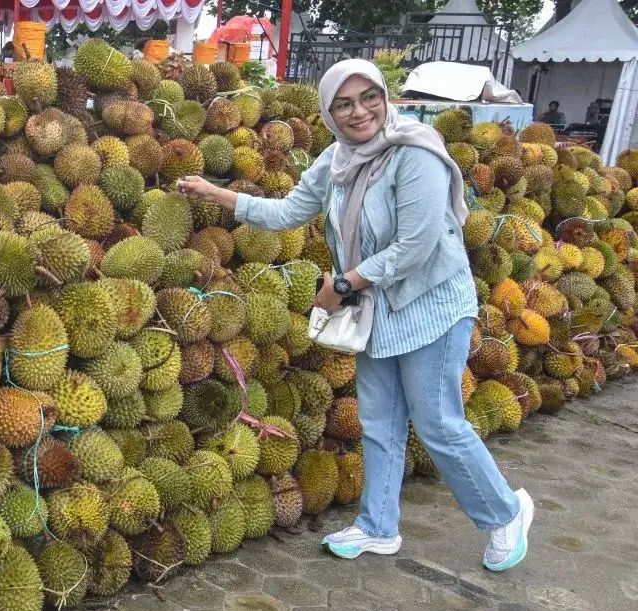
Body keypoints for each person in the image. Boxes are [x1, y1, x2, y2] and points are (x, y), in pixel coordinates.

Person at [176, 59, 534, 572]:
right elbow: (288, 212)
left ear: (385, 97)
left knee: (438, 423)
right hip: (379, 313)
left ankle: (504, 514)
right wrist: (219, 195)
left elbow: (415, 246)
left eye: (369, 97)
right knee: (379, 422)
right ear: (328, 111)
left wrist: (341, 285)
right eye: (343, 104)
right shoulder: (337, 159)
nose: (358, 111)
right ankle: (378, 527)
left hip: (431, 307)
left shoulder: (415, 155)